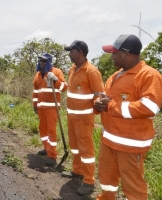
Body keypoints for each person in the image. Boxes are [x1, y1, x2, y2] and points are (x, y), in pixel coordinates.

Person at [95, 34, 162, 199]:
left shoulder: (149, 76)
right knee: (107, 180)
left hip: (131, 145)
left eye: (114, 53)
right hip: (109, 141)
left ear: (126, 54)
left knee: (133, 188)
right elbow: (106, 98)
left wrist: (110, 106)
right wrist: (98, 104)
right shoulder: (115, 76)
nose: (112, 57)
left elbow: (149, 107)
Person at [61, 40, 104, 196]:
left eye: (71, 51)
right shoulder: (73, 69)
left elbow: (99, 95)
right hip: (72, 117)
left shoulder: (91, 71)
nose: (69, 54)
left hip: (84, 119)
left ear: (79, 52)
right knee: (74, 146)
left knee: (86, 150)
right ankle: (77, 171)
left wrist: (98, 103)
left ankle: (89, 181)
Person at [32, 53, 68, 166]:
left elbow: (64, 86)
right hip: (41, 108)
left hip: (52, 108)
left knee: (51, 130)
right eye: (40, 61)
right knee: (43, 129)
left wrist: (56, 80)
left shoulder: (56, 72)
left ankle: (52, 156)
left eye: (44, 61)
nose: (42, 63)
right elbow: (36, 92)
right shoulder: (38, 75)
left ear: (49, 62)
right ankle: (46, 148)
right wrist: (35, 105)